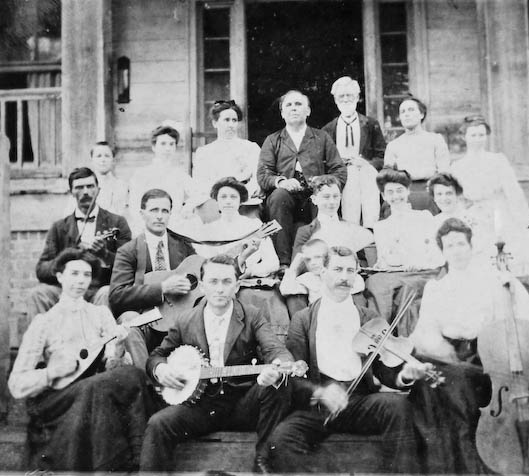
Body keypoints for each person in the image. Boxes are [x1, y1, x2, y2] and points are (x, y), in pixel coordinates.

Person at [267, 246, 432, 473]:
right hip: (320, 405)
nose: (344, 277)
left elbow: (384, 371)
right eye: (337, 269)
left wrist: (403, 377)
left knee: (398, 406)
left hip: (360, 401)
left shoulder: (369, 317)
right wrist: (319, 392)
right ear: (323, 271)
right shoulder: (303, 319)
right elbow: (294, 376)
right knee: (282, 438)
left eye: (350, 271)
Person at [408, 218, 529, 473]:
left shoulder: (495, 279)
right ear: (442, 251)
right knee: (433, 387)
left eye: (461, 243)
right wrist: (441, 349)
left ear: (471, 246)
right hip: (451, 358)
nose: (456, 250)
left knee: (461, 386)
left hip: (488, 358)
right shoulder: (436, 288)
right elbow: (426, 331)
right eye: (449, 245)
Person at [140, 254, 296, 473]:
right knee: (158, 423)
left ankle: (264, 463)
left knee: (279, 385)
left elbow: (275, 349)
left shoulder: (252, 316)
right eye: (213, 282)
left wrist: (278, 366)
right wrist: (160, 368)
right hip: (201, 407)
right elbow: (157, 355)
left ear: (237, 286)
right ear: (202, 286)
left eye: (226, 282)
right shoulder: (186, 320)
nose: (220, 289)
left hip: (242, 403)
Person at [8, 248, 156, 472]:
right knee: (97, 388)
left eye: (86, 275)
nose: (80, 281)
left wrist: (117, 349)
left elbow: (114, 369)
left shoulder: (100, 314)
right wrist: (51, 372)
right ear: (60, 276)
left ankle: (136, 460)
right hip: (59, 398)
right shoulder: (44, 322)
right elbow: (16, 385)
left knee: (131, 375)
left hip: (96, 393)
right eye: (74, 274)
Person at [450, 115, 529, 288]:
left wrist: (520, 219)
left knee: (513, 256)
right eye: (473, 135)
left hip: (499, 214)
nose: (478, 139)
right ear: (464, 137)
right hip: (473, 217)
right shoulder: (457, 167)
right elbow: (457, 199)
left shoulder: (497, 160)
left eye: (481, 135)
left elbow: (513, 191)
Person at [257, 90, 347, 266]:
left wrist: (322, 184)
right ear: (282, 113)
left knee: (323, 198)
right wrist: (281, 182)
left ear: (308, 111)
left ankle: (325, 260)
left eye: (298, 104)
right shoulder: (273, 140)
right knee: (278, 196)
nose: (293, 108)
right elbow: (263, 173)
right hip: (286, 197)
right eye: (288, 105)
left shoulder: (321, 137)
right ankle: (283, 262)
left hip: (314, 194)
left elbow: (339, 170)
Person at [109, 188, 197, 369]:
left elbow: (203, 273)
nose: (159, 216)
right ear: (142, 214)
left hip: (179, 316)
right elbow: (117, 295)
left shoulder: (183, 245)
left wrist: (243, 256)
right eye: (154, 210)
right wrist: (162, 288)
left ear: (170, 214)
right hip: (146, 317)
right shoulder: (129, 250)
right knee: (129, 325)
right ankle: (146, 386)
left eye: (165, 211)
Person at [30, 167, 131, 319]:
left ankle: (101, 341)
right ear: (71, 192)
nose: (85, 192)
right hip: (65, 292)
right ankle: (43, 341)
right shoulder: (59, 227)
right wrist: (67, 256)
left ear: (98, 189)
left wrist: (104, 254)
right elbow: (41, 270)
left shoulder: (117, 222)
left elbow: (128, 267)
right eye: (79, 187)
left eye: (90, 186)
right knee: (38, 294)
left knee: (106, 293)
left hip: (98, 290)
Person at [364, 167, 443, 332]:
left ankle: (403, 339)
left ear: (408, 191)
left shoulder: (424, 217)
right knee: (375, 283)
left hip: (424, 271)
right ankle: (379, 334)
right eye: (390, 192)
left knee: (408, 288)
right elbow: (386, 257)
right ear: (384, 196)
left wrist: (419, 261)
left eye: (400, 190)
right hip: (397, 272)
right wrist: (384, 262)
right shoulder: (381, 227)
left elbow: (435, 249)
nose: (396, 196)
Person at [322, 76, 385, 227]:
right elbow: (323, 160)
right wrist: (339, 163)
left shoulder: (370, 125)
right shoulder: (328, 129)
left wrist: (366, 163)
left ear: (357, 97)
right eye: (341, 96)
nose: (345, 99)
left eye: (349, 95)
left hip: (366, 173)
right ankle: (351, 229)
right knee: (349, 179)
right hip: (342, 175)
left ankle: (371, 228)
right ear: (335, 100)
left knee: (367, 174)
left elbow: (382, 155)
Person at [193, 176, 279, 279]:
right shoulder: (209, 230)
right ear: (216, 201)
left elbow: (273, 262)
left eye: (233, 197)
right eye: (223, 197)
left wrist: (251, 271)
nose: (228, 201)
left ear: (241, 201)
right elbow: (204, 265)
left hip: (247, 281)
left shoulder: (255, 226)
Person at [128, 124, 206, 235]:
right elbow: (134, 205)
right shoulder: (141, 174)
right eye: (163, 144)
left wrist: (188, 207)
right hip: (147, 226)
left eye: (171, 144)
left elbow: (201, 193)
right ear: (154, 147)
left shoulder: (179, 174)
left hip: (173, 226)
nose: (167, 148)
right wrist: (144, 227)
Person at [384, 95, 450, 213]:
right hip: (403, 192)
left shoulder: (435, 139)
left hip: (430, 189)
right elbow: (388, 176)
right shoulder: (393, 145)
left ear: (421, 114)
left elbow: (444, 170)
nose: (406, 114)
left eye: (411, 110)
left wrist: (436, 185)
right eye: (402, 112)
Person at [292, 174, 374, 259]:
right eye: (326, 197)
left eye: (335, 196)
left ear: (340, 197)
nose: (332, 202)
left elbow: (362, 262)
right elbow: (298, 265)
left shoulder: (350, 228)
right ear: (314, 199)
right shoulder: (305, 232)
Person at [193, 100, 261, 198]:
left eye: (234, 120)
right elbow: (200, 184)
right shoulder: (204, 153)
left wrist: (242, 194)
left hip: (245, 199)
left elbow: (257, 178)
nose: (231, 125)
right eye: (226, 120)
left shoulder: (251, 148)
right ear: (215, 123)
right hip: (213, 200)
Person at [280, 238, 365, 304]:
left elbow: (359, 284)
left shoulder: (339, 274)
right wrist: (294, 267)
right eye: (308, 260)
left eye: (318, 257)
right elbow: (286, 289)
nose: (313, 263)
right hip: (319, 318)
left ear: (327, 256)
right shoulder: (308, 278)